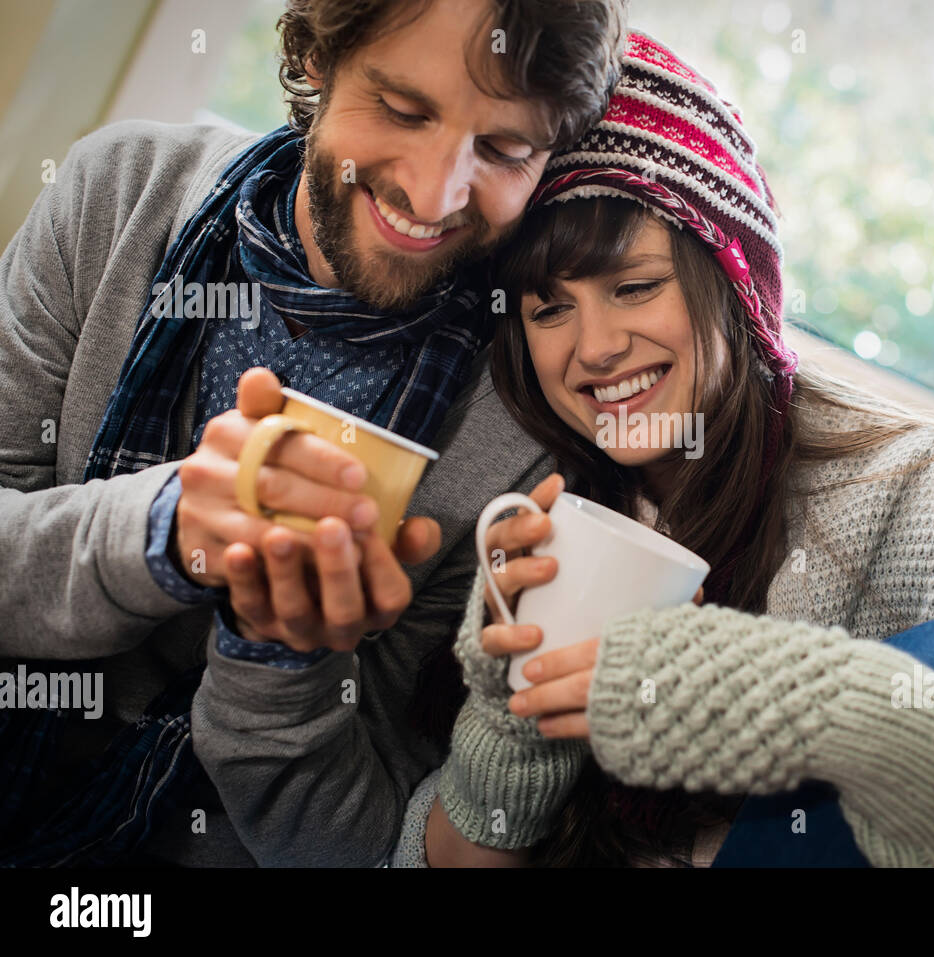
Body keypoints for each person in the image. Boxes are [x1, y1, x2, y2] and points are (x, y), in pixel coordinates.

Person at [388, 30, 934, 867]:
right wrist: (510, 729)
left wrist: (832, 711)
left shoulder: (918, 488)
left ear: (734, 281)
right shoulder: (541, 497)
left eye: (635, 287)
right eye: (548, 309)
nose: (595, 347)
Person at [0, 0, 625, 866]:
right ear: (319, 55)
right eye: (403, 110)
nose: (433, 191)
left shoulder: (518, 436)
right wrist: (164, 529)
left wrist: (285, 657)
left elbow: (358, 844)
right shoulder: (120, 191)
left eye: (503, 150)